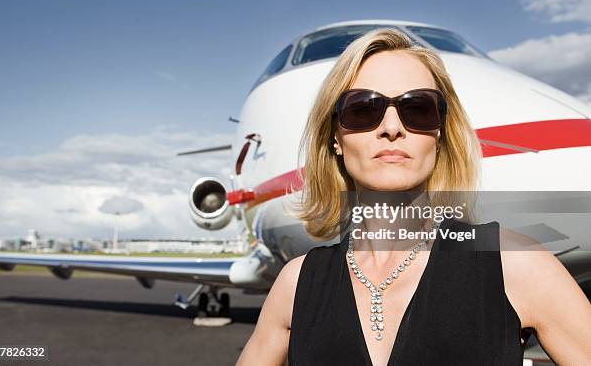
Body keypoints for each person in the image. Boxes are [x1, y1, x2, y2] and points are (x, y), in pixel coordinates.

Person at [236, 29, 591, 365]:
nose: (392, 127)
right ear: (336, 138)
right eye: (363, 109)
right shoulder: (297, 285)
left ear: (438, 135)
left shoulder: (515, 264)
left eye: (418, 108)